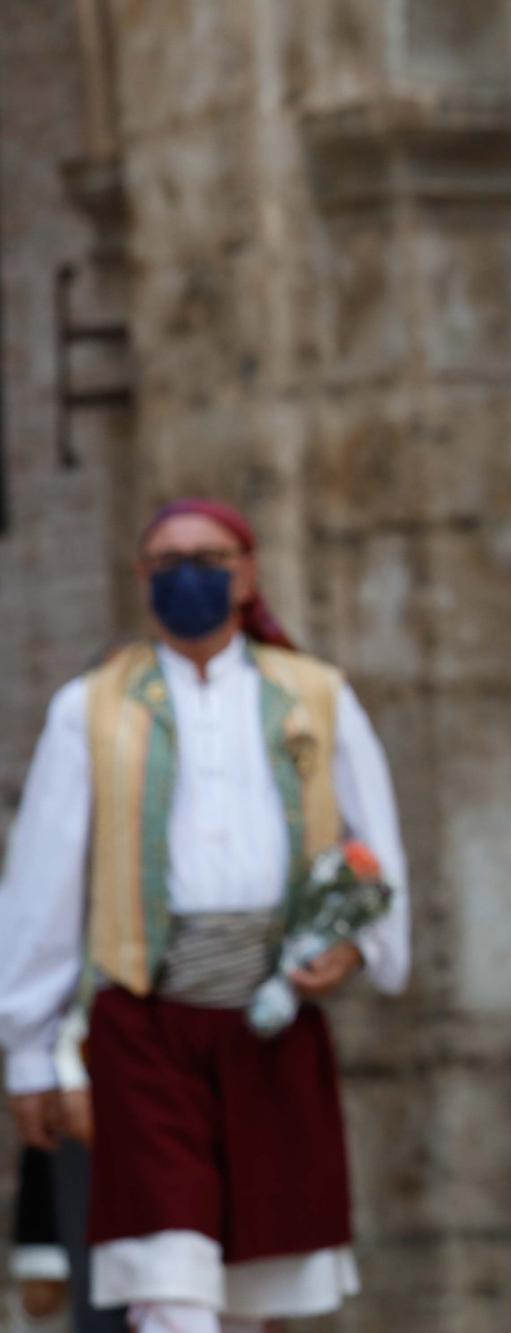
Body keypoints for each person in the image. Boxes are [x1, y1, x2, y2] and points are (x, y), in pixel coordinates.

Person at [0, 499, 410, 1333]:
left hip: (272, 1021)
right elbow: (42, 888)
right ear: (143, 579)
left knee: (262, 1290)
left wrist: (359, 948)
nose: (190, 573)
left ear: (246, 571)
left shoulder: (315, 695)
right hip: (144, 1026)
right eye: (168, 559)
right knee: (169, 1283)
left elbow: (377, 852)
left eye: (209, 555)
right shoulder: (91, 707)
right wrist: (30, 1053)